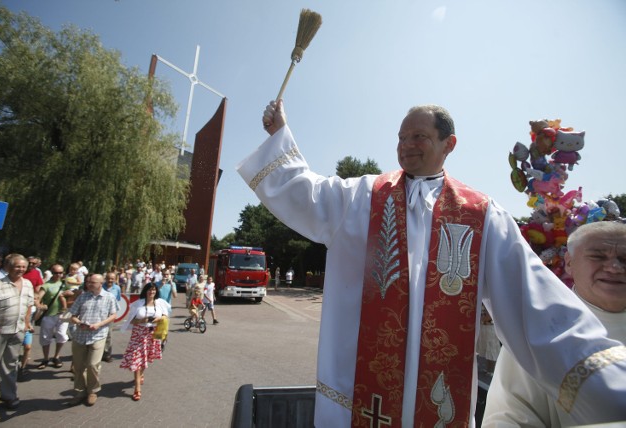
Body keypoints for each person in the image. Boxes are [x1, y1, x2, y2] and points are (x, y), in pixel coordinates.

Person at [237, 100, 626, 426]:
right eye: (401, 138)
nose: (406, 145)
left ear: (448, 143)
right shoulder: (360, 197)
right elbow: (305, 191)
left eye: (419, 136)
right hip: (362, 401)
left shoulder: (483, 216)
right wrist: (280, 136)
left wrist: (609, 380)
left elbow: (536, 307)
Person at [483, 221, 626, 427]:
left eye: (624, 259)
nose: (614, 267)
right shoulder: (540, 331)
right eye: (598, 256)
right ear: (569, 262)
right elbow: (509, 418)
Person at [0, 254, 34, 409]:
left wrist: (26, 323)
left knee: (11, 364)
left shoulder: (27, 284)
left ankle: (9, 395)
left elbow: (28, 305)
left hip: (17, 331)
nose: (21, 269)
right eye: (17, 266)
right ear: (9, 267)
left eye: (23, 267)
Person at [67, 274, 117, 406]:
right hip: (80, 336)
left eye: (93, 282)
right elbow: (72, 316)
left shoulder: (109, 297)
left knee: (93, 364)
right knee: (78, 366)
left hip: (98, 335)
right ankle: (80, 391)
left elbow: (113, 315)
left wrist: (99, 325)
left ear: (101, 284)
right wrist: (79, 322)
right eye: (88, 282)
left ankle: (92, 391)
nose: (89, 284)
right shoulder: (82, 296)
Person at [120, 282, 170, 401]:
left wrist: (159, 318)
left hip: (152, 334)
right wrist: (142, 320)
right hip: (138, 334)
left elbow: (166, 317)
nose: (151, 292)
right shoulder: (137, 304)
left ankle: (140, 375)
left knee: (145, 358)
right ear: (145, 291)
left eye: (153, 290)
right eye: (149, 290)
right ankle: (137, 388)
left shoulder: (160, 303)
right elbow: (130, 321)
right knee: (137, 359)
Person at [35, 264, 70, 370]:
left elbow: (75, 294)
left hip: (63, 315)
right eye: (56, 273)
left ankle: (56, 356)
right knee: (46, 337)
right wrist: (40, 306)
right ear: (51, 272)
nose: (58, 275)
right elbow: (37, 298)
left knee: (62, 335)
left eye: (60, 272)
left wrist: (70, 293)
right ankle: (45, 358)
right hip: (49, 315)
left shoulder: (65, 284)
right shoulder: (46, 285)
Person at [101, 272, 121, 363]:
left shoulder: (117, 288)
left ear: (115, 279)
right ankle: (98, 353)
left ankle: (107, 354)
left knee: (109, 335)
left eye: (112, 279)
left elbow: (118, 300)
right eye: (108, 278)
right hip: (100, 314)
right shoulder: (101, 287)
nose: (110, 280)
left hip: (110, 315)